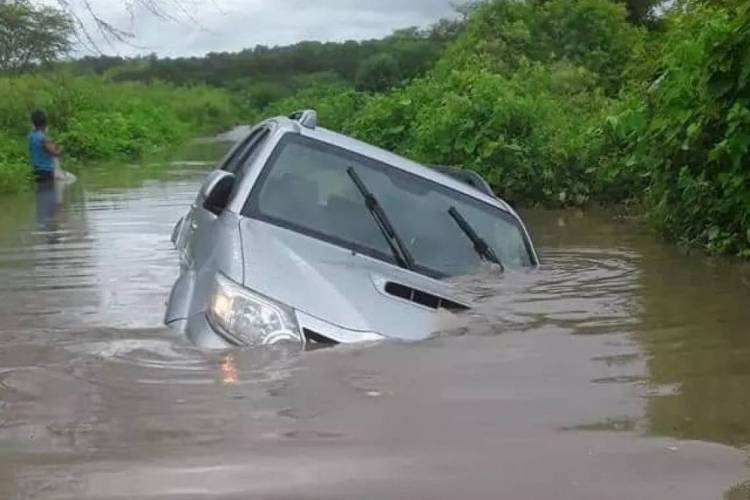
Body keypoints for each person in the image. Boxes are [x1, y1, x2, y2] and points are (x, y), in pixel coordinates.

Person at [28, 110, 62, 183]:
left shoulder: (30, 136)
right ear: (45, 123)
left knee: (39, 191)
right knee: (48, 192)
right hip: (46, 171)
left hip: (35, 169)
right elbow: (55, 153)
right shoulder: (43, 138)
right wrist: (60, 149)